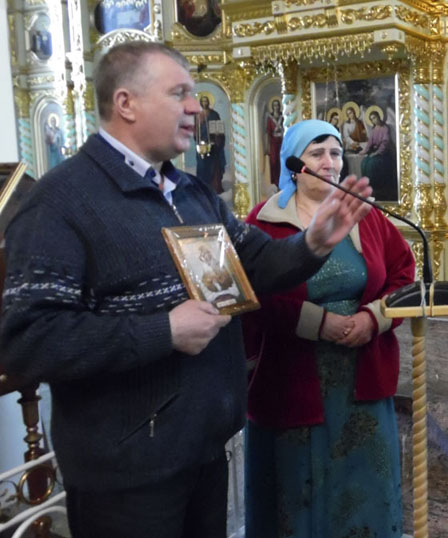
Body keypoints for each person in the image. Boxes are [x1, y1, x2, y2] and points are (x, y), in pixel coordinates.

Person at [0, 42, 372, 538]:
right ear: (126, 103)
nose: (196, 107)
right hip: (127, 476)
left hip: (203, 449)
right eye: (179, 93)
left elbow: (256, 263)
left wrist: (312, 244)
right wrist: (164, 331)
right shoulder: (61, 203)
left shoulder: (191, 192)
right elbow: (29, 341)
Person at [241, 119, 414, 538]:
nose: (330, 162)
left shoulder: (365, 216)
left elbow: (403, 276)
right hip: (292, 375)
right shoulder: (264, 220)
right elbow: (251, 293)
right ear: (294, 164)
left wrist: (373, 319)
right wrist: (318, 324)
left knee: (363, 479)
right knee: (298, 483)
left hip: (361, 373)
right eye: (317, 153)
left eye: (336, 153)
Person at [360, 109, 399, 201]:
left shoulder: (385, 128)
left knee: (373, 163)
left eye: (375, 117)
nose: (374, 120)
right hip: (375, 151)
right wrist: (365, 151)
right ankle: (368, 186)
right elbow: (370, 142)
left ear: (379, 117)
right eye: (372, 119)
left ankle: (377, 188)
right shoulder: (374, 129)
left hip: (384, 153)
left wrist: (376, 153)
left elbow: (385, 143)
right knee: (364, 162)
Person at [195, 94, 226, 194]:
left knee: (213, 165)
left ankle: (214, 187)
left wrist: (217, 137)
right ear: (200, 102)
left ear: (209, 102)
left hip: (213, 144)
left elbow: (219, 129)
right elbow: (195, 130)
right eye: (202, 101)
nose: (204, 103)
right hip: (202, 144)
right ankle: (202, 188)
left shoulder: (214, 114)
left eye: (206, 101)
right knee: (202, 166)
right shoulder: (197, 115)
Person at [263, 97, 284, 188]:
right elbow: (268, 132)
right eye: (274, 105)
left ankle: (282, 181)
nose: (276, 107)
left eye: (277, 105)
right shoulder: (270, 118)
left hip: (282, 142)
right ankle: (275, 182)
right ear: (272, 107)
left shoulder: (283, 117)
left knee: (281, 161)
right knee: (274, 162)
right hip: (273, 143)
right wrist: (267, 146)